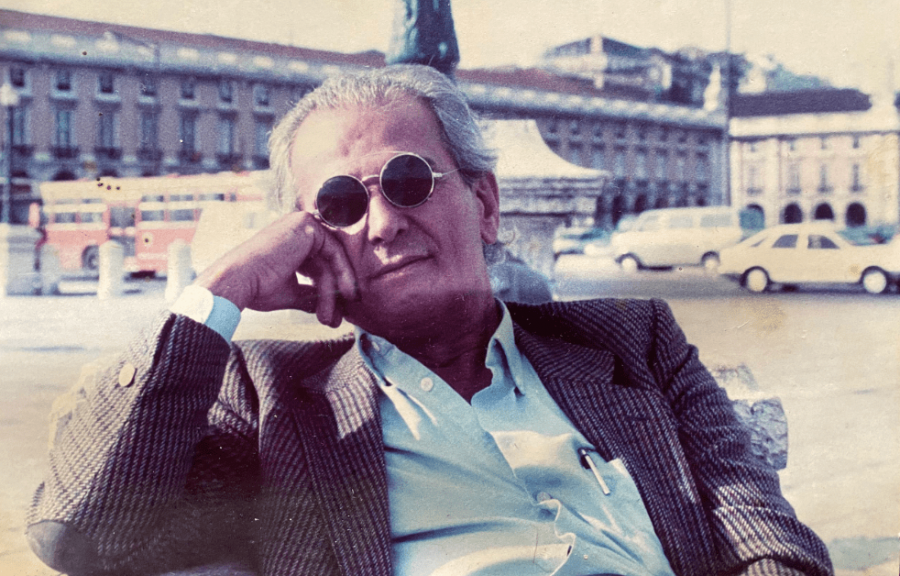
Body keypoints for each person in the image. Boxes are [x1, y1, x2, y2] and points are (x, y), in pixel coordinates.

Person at [27, 64, 833, 576]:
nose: (382, 223)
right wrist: (217, 293)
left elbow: (765, 539)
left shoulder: (634, 343)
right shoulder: (269, 396)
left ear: (484, 202)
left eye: (409, 181)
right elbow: (81, 533)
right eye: (339, 204)